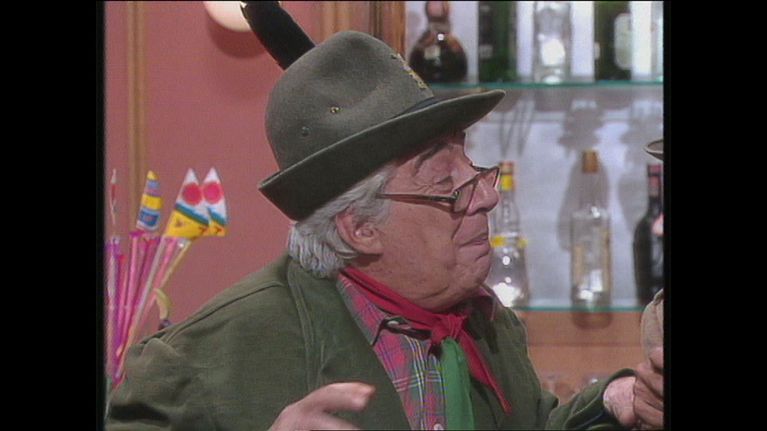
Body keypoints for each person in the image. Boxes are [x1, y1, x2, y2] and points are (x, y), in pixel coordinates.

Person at [106, 3, 663, 430]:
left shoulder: (487, 325)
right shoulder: (198, 365)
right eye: (447, 187)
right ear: (360, 227)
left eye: (473, 169)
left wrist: (616, 402)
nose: (487, 199)